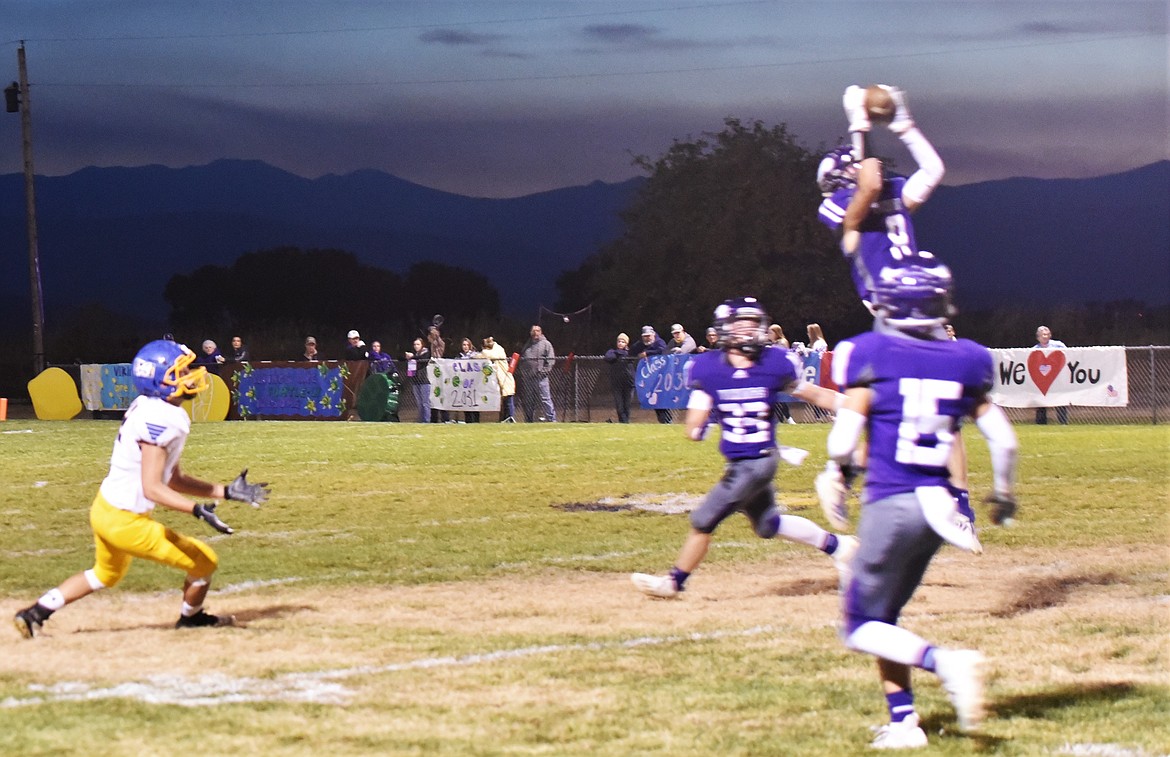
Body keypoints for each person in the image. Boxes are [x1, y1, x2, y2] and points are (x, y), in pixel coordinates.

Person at [824, 265, 1018, 748]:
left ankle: (945, 663)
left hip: (892, 500)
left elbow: (844, 438)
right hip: (938, 508)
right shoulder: (966, 359)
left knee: (858, 625)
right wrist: (1003, 495)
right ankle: (903, 722)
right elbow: (1005, 441)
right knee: (883, 617)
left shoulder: (870, 352)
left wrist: (837, 475)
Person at [13, 340, 270, 639]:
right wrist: (197, 510)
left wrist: (224, 491)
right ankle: (191, 618)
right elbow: (152, 487)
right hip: (125, 522)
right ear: (158, 379)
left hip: (106, 509)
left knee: (104, 574)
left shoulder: (155, 407)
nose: (190, 374)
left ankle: (34, 613)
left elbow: (174, 479)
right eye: (181, 370)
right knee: (204, 562)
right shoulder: (160, 417)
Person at [631, 297, 858, 599]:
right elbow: (693, 428)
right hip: (739, 462)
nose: (750, 331)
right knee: (767, 524)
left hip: (759, 462)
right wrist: (703, 420)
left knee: (703, 520)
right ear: (725, 329)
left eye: (754, 324)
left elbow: (814, 394)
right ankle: (841, 548)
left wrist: (856, 407)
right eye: (742, 325)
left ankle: (674, 582)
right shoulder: (708, 368)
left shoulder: (775, 362)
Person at [817, 85, 946, 310]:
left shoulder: (892, 192)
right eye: (852, 167)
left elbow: (933, 171)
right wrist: (859, 125)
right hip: (884, 296)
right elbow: (870, 187)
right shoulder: (835, 204)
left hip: (918, 288)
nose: (863, 167)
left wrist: (905, 127)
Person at [630, 325, 672, 424]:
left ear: (653, 334)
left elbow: (663, 350)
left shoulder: (659, 342)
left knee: (662, 400)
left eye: (649, 335)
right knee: (654, 401)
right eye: (645, 336)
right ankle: (663, 421)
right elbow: (632, 351)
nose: (647, 338)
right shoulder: (642, 343)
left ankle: (668, 421)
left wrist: (647, 353)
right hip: (650, 378)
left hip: (662, 376)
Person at [1033, 326, 1069, 425]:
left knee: (1060, 401)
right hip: (1043, 381)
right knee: (1041, 402)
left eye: (1047, 334)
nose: (1045, 336)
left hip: (1058, 379)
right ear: (1038, 337)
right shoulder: (1034, 350)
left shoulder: (1059, 345)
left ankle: (1063, 422)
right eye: (1042, 335)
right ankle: (1041, 423)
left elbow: (1069, 356)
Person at [520, 325, 556, 422]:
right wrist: (524, 373)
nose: (535, 333)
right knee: (529, 401)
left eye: (537, 331)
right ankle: (528, 420)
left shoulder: (546, 344)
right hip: (529, 378)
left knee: (545, 400)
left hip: (541, 379)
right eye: (533, 331)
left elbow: (551, 360)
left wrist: (543, 372)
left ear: (541, 332)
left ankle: (552, 420)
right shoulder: (527, 345)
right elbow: (522, 360)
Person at [479, 335, 516, 423]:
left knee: (509, 399)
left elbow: (487, 354)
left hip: (506, 378)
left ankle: (510, 417)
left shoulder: (498, 350)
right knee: (504, 401)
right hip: (500, 379)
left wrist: (481, 352)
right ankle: (505, 418)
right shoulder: (494, 350)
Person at [603, 332, 635, 423]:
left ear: (626, 344)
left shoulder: (630, 353)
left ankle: (625, 422)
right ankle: (624, 423)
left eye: (623, 342)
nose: (620, 343)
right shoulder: (612, 352)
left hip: (629, 384)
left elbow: (630, 356)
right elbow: (608, 357)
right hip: (617, 383)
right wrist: (619, 353)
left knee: (627, 405)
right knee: (619, 406)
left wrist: (620, 354)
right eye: (619, 341)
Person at [767, 325, 795, 425]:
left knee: (778, 396)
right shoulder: (774, 343)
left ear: (776, 333)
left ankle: (787, 418)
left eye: (770, 332)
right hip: (775, 373)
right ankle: (784, 418)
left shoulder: (781, 343)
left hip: (780, 373)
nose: (768, 335)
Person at [404, 337, 431, 423]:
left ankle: (426, 420)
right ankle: (421, 419)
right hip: (415, 381)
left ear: (422, 345)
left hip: (424, 381)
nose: (416, 346)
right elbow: (410, 371)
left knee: (425, 402)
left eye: (418, 344)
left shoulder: (426, 353)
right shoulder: (414, 356)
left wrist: (413, 357)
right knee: (419, 403)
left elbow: (422, 359)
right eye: (415, 344)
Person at [426, 326, 449, 422]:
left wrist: (435, 334)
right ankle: (433, 419)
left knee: (442, 395)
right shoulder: (431, 345)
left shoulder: (441, 343)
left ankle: (445, 418)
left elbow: (439, 343)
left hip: (441, 372)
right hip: (433, 372)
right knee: (433, 396)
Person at [458, 337, 480, 423]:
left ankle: (476, 421)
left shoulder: (475, 356)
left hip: (474, 383)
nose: (465, 347)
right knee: (466, 402)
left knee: (474, 402)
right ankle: (468, 421)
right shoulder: (459, 356)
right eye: (464, 345)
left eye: (467, 345)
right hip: (464, 383)